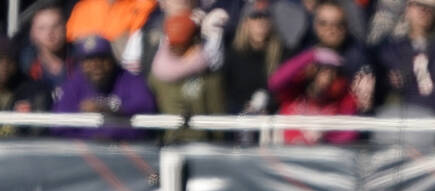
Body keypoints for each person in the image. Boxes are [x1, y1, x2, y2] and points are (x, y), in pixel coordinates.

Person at [52, 35, 158, 140]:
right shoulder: (72, 86)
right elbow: (60, 127)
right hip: (82, 150)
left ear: (112, 60)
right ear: (81, 64)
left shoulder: (130, 80)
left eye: (102, 59)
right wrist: (91, 138)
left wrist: (109, 109)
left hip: (127, 149)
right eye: (89, 60)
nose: (96, 65)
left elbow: (146, 107)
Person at [147, 12, 226, 142]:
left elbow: (216, 112)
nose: (176, 47)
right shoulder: (157, 75)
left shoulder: (208, 75)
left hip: (202, 145)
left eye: (182, 42)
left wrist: (217, 144)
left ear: (194, 40)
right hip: (169, 143)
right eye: (173, 42)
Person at [224, 0, 285, 116]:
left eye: (265, 17)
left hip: (270, 116)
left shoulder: (281, 53)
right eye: (255, 17)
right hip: (239, 116)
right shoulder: (233, 53)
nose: (260, 23)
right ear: (245, 23)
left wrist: (269, 103)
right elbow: (225, 90)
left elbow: (284, 89)